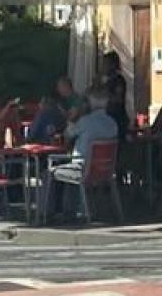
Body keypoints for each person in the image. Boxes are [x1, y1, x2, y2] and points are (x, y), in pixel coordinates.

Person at [45, 87, 118, 222]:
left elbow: (67, 134)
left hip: (83, 168)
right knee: (71, 168)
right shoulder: (113, 124)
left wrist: (75, 117)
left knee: (49, 172)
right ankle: (71, 210)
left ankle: (47, 214)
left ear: (89, 103)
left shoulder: (85, 121)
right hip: (106, 170)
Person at [27, 77, 84, 144]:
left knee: (44, 115)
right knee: (45, 116)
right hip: (57, 123)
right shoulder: (62, 99)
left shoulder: (76, 99)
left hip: (68, 125)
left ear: (66, 86)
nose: (58, 89)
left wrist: (60, 110)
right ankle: (36, 140)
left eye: (59, 87)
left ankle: (31, 139)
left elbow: (71, 118)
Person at [99, 51, 129, 141]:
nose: (103, 66)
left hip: (117, 119)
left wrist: (105, 93)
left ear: (112, 65)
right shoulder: (105, 81)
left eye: (105, 63)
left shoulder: (119, 80)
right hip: (106, 119)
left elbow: (118, 99)